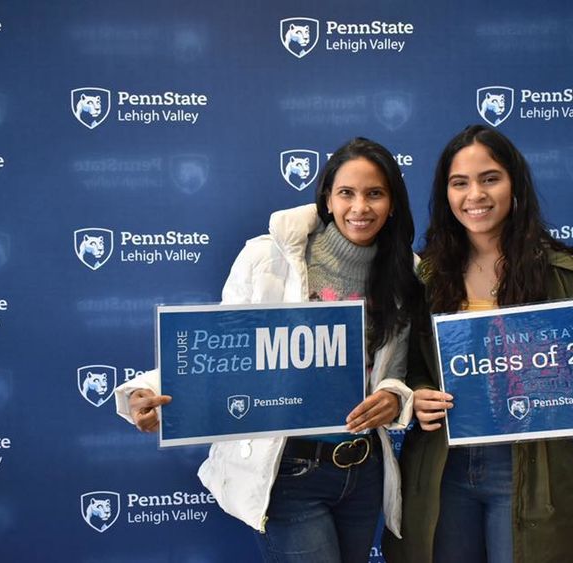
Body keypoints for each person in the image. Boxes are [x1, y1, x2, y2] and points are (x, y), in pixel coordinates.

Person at [113, 137, 423, 563]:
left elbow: (398, 368)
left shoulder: (407, 274)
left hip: (362, 471)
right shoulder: (268, 258)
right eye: (346, 193)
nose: (360, 207)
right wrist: (143, 391)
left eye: (375, 194)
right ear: (326, 199)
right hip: (289, 472)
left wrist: (392, 396)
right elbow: (221, 346)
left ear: (392, 203)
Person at [381, 125, 573, 563]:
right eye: (460, 183)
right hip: (444, 465)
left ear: (514, 183)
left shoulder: (557, 270)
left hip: (527, 466)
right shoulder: (427, 276)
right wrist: (416, 395)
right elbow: (410, 367)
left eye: (489, 178)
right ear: (446, 194)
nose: (475, 194)